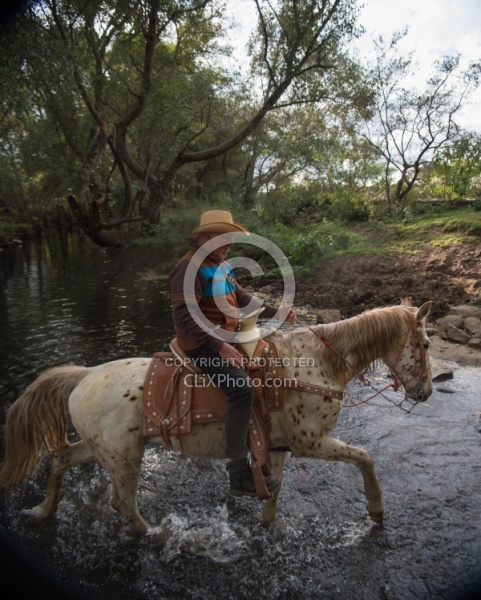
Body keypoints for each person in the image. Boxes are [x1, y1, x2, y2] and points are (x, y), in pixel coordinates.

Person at [169, 210, 297, 497]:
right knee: (241, 389)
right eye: (225, 239)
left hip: (223, 337)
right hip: (199, 343)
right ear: (207, 237)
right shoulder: (187, 268)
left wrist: (278, 312)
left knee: (270, 363)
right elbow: (183, 318)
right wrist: (219, 346)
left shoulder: (221, 263)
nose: (230, 245)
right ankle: (238, 473)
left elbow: (242, 299)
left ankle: (266, 440)